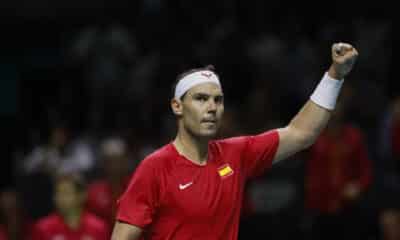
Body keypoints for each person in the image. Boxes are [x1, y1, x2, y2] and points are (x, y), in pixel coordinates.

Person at [111, 42, 359, 240]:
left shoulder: (236, 154)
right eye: (200, 99)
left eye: (217, 100)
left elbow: (301, 133)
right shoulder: (155, 168)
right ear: (177, 106)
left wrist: (335, 75)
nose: (211, 108)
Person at [30, 174, 110, 240]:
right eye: (57, 193)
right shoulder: (42, 228)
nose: (60, 198)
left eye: (66, 193)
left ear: (82, 195)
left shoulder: (99, 228)